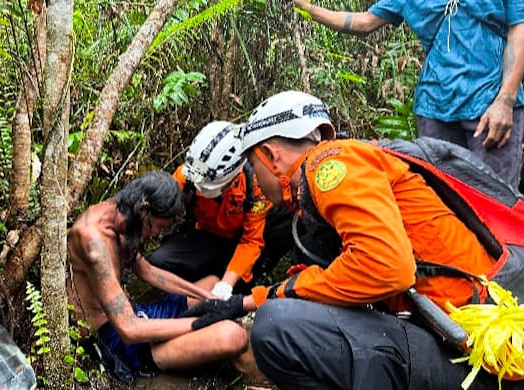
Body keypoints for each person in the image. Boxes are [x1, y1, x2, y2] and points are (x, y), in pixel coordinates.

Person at [183, 90, 524, 389]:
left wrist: (264, 299)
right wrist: (247, 301)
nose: (254, 177)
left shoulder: (330, 164)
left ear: (271, 156)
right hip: (451, 340)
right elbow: (340, 278)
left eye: (253, 164)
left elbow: (388, 269)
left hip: (474, 355)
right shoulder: (328, 187)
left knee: (277, 328)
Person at [292, 0, 524, 188]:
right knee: (444, 199)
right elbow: (363, 22)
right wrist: (308, 8)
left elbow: (519, 29)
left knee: (497, 199)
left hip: (490, 105)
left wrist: (505, 99)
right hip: (434, 109)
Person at [67, 170, 248, 383]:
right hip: (115, 338)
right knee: (234, 336)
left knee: (212, 284)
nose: (155, 235)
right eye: (158, 227)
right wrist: (202, 321)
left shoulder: (123, 214)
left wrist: (210, 300)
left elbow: (147, 271)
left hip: (135, 313)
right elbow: (129, 330)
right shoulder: (94, 242)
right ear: (145, 211)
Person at [147, 121, 294, 299]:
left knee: (286, 217)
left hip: (245, 238)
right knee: (159, 261)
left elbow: (252, 241)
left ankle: (251, 274)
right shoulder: (186, 177)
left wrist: (226, 284)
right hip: (208, 235)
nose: (200, 189)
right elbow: (159, 208)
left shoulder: (255, 184)